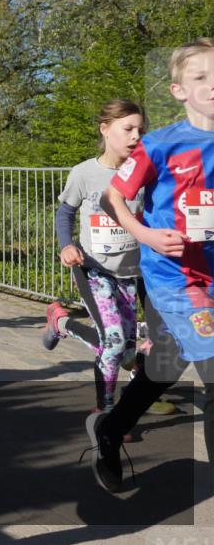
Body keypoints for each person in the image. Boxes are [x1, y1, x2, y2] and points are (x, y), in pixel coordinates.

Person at [87, 38, 213, 493]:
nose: (213, 86)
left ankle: (109, 428)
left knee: (162, 370)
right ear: (179, 90)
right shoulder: (159, 145)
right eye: (201, 78)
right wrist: (144, 234)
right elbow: (112, 196)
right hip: (175, 279)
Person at [43, 100, 146, 417]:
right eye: (128, 128)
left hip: (130, 273)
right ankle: (106, 412)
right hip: (93, 271)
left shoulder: (144, 173)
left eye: (140, 130)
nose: (135, 136)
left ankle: (61, 323)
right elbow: (65, 214)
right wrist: (66, 245)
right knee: (114, 342)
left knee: (128, 350)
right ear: (105, 129)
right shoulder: (84, 173)